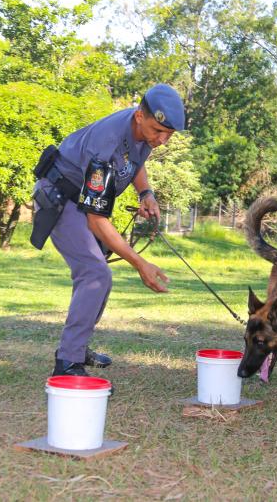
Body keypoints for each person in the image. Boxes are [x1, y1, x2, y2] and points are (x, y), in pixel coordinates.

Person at [30, 84, 186, 376]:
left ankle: (77, 346)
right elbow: (96, 221)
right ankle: (67, 364)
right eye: (157, 131)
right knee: (95, 273)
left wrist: (145, 194)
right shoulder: (106, 144)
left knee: (99, 276)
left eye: (169, 134)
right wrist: (140, 263)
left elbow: (136, 160)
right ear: (140, 116)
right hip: (61, 198)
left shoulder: (143, 130)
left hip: (82, 200)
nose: (162, 140)